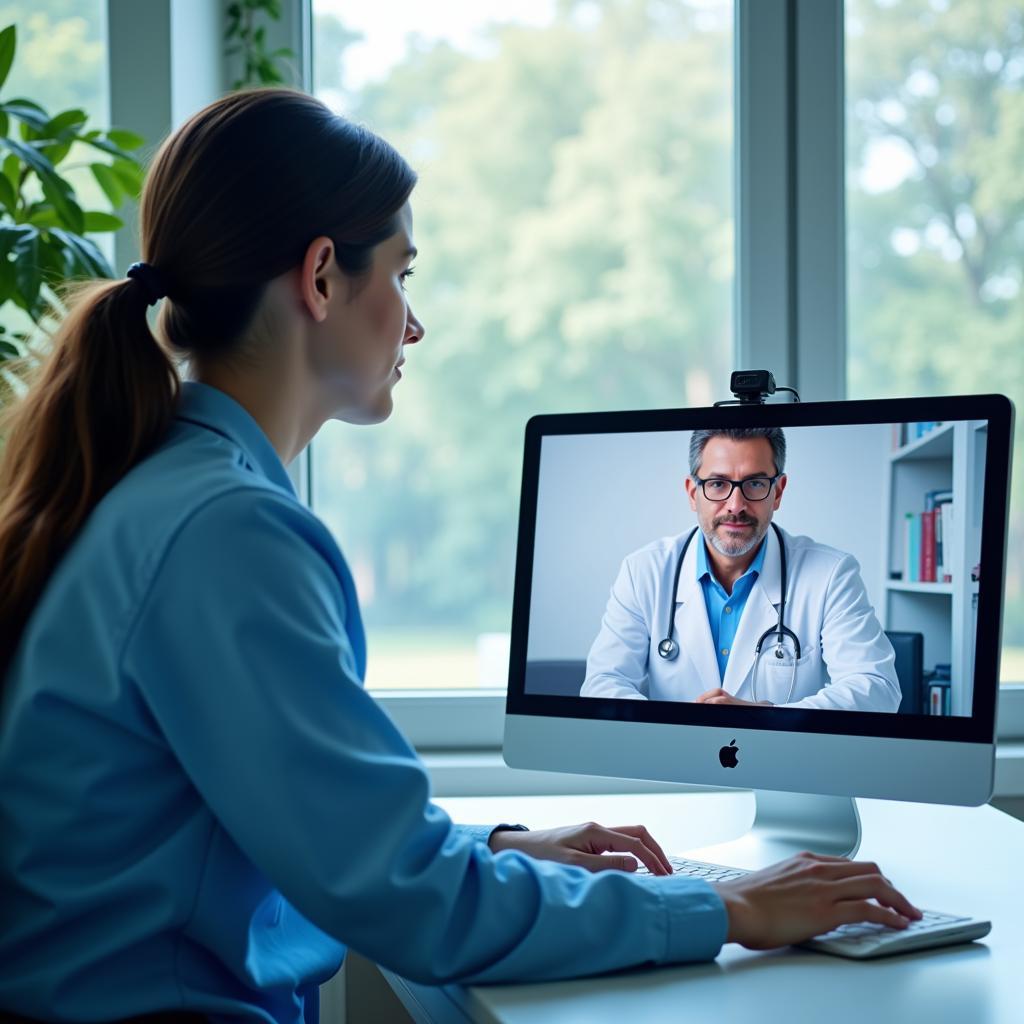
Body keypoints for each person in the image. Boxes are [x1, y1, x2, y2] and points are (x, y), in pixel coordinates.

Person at [0, 90, 919, 1023]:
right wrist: (724, 905)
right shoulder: (225, 532)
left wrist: (501, 844)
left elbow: (332, 839)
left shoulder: (154, 484)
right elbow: (410, 902)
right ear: (321, 278)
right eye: (403, 273)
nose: (413, 324)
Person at [581, 428, 902, 710]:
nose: (735, 505)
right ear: (694, 494)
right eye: (718, 484)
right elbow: (603, 685)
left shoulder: (832, 575)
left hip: (784, 766)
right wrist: (677, 727)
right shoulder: (644, 572)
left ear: (777, 492)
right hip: (673, 766)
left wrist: (768, 718)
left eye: (755, 483)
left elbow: (876, 688)